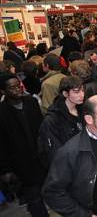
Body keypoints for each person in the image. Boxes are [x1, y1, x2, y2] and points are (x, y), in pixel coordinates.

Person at [0, 73, 49, 217]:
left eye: (19, 86)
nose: (17, 90)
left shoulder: (31, 102)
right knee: (35, 200)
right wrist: (5, 170)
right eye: (12, 88)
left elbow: (42, 128)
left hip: (41, 159)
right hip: (21, 166)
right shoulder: (2, 113)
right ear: (3, 91)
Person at [38, 76, 84, 165]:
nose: (82, 95)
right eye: (76, 92)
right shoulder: (52, 119)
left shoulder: (83, 110)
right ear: (65, 94)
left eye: (82, 90)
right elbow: (53, 152)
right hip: (68, 165)